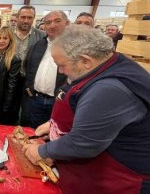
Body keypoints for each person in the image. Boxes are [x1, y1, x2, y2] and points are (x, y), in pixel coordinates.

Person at [23, 25, 150, 193]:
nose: (61, 71)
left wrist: (42, 151)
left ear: (86, 61)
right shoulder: (104, 65)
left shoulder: (108, 89)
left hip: (117, 177)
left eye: (62, 65)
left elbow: (82, 143)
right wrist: (55, 125)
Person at [25, 11, 69, 128]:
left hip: (59, 102)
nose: (52, 25)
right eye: (48, 22)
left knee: (56, 133)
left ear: (67, 23)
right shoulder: (38, 45)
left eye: (57, 21)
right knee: (34, 132)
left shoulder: (74, 47)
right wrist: (29, 89)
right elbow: (28, 67)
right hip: (36, 100)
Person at [13, 5, 46, 126]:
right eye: (23, 17)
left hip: (29, 80)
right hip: (9, 78)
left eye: (29, 17)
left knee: (27, 112)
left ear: (33, 19)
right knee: (8, 109)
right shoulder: (7, 32)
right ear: (17, 17)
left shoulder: (41, 36)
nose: (26, 20)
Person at [0, 26, 21, 125]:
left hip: (3, 101)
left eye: (5, 38)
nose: (1, 41)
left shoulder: (14, 59)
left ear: (10, 40)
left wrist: (6, 106)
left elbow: (12, 86)